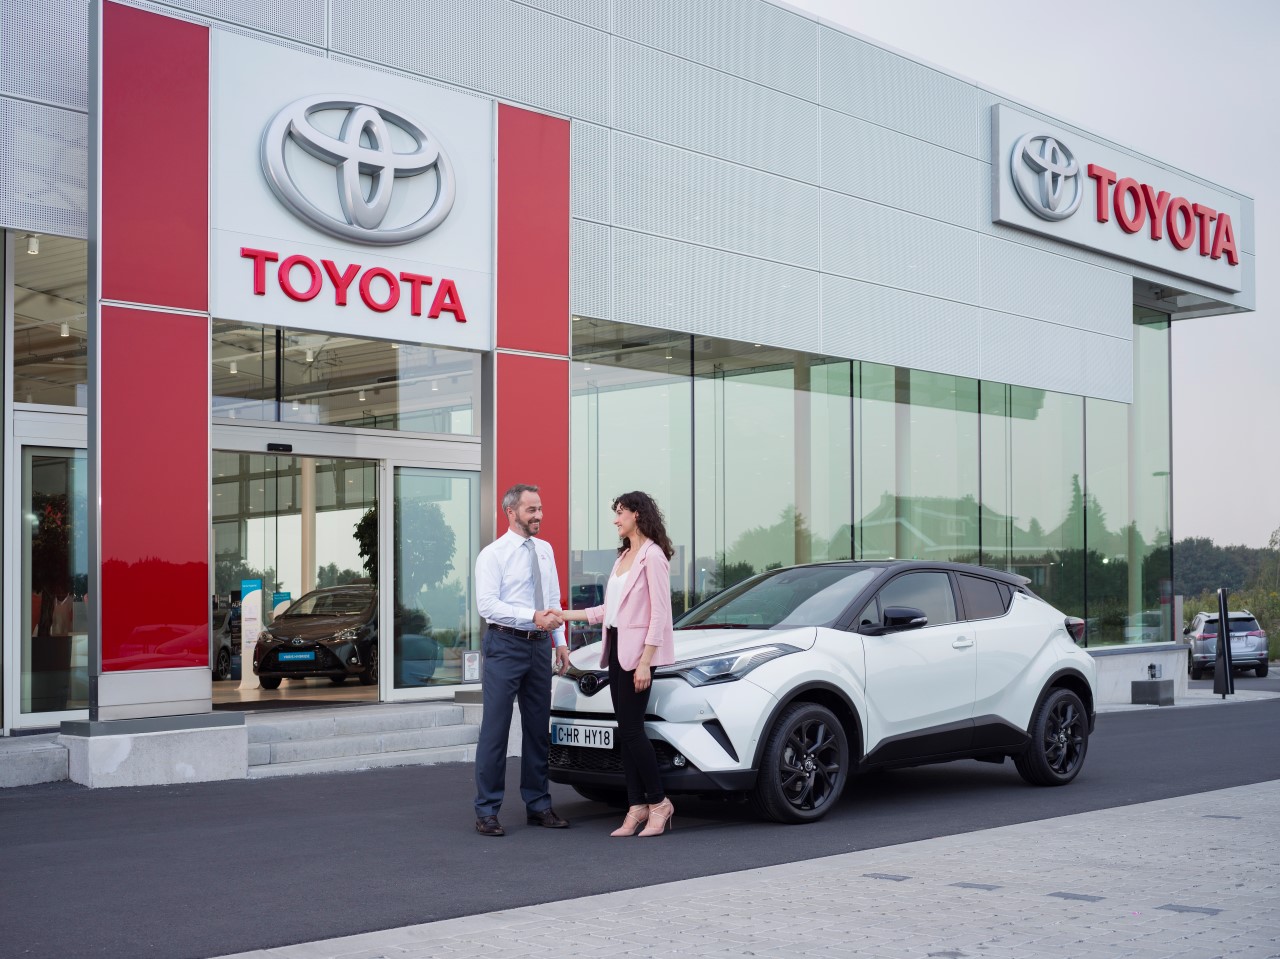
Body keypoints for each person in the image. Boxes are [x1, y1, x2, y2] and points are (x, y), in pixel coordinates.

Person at [562, 491, 676, 837]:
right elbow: (607, 611)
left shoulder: (653, 556)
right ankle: (636, 805)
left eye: (620, 513)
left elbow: (660, 613)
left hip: (638, 656)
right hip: (616, 651)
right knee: (625, 732)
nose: (615, 519)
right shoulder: (623, 556)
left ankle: (659, 803)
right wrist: (564, 615)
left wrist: (645, 662)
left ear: (637, 514)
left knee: (632, 731)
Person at [472, 484, 572, 837]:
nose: (539, 515)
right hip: (505, 645)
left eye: (540, 508)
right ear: (511, 512)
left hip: (540, 646)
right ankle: (487, 811)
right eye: (532, 510)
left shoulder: (545, 550)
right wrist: (532, 616)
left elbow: (554, 599)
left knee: (538, 731)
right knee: (496, 730)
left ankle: (538, 805)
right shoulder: (493, 555)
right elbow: (487, 605)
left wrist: (560, 642)